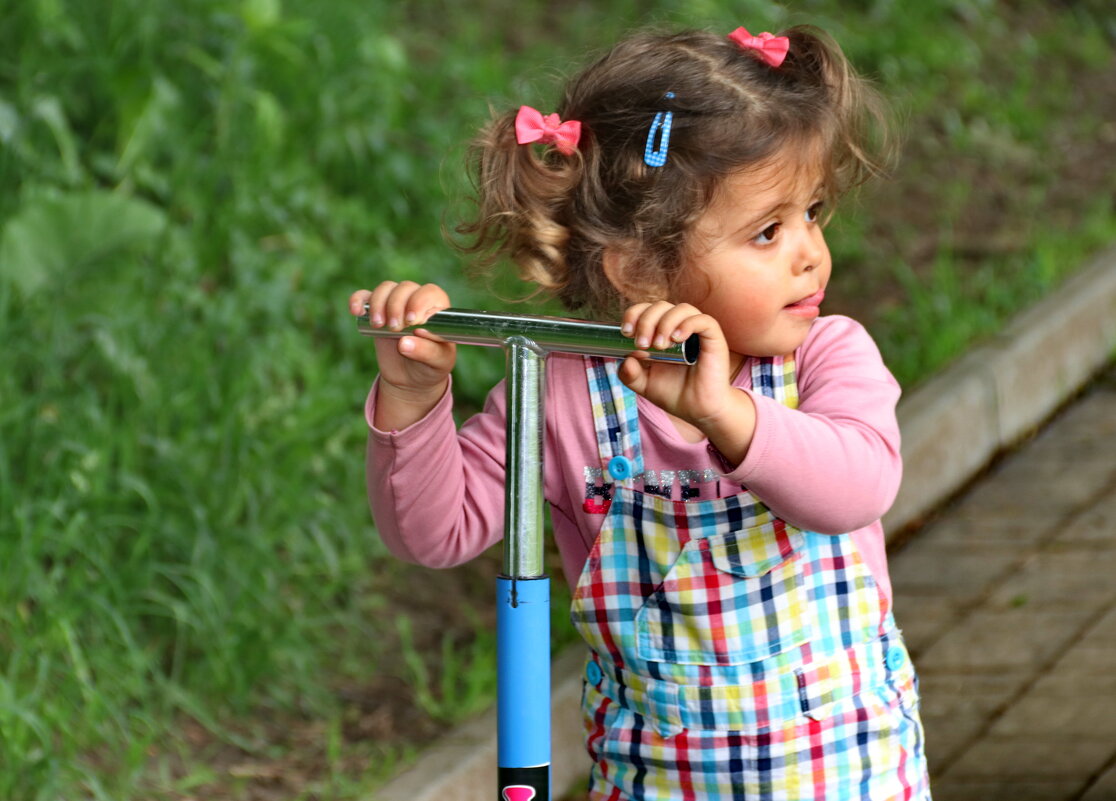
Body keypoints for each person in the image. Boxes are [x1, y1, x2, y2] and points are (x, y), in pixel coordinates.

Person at [350, 23, 930, 801]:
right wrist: (416, 399)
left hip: (847, 776)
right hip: (659, 782)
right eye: (768, 230)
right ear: (641, 268)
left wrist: (728, 414)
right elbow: (434, 531)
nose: (809, 253)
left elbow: (855, 488)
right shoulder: (565, 393)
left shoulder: (826, 358)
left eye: (813, 212)